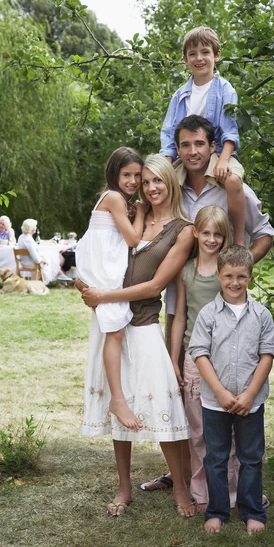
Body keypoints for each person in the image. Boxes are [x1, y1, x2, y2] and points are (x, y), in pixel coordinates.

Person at [141, 114, 274, 492]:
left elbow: (265, 234)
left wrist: (233, 271)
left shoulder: (231, 185)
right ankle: (187, 477)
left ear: (212, 146)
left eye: (200, 143)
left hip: (226, 316)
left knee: (225, 404)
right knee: (188, 404)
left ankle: (233, 484)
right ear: (178, 149)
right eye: (185, 144)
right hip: (181, 299)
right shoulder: (173, 186)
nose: (193, 151)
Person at [80, 154, 196, 518]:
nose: (150, 187)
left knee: (164, 410)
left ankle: (180, 488)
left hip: (144, 324)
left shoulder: (183, 229)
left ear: (170, 183)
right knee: (121, 406)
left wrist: (103, 297)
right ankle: (124, 487)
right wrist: (89, 288)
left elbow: (156, 285)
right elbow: (102, 252)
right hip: (113, 323)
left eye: (157, 181)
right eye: (145, 182)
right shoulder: (131, 215)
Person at [188, 245, 274, 534]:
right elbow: (200, 353)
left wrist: (250, 394)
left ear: (250, 275)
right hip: (216, 402)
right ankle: (217, 511)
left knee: (251, 457)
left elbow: (267, 355)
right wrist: (222, 393)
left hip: (252, 401)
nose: (234, 282)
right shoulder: (208, 314)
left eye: (241, 276)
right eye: (228, 276)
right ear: (218, 275)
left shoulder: (261, 315)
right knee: (216, 457)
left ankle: (253, 511)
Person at [170, 205, 238, 513]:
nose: (211, 239)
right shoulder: (186, 270)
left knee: (229, 432)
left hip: (227, 359)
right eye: (206, 232)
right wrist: (174, 358)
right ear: (195, 232)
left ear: (225, 237)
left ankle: (233, 492)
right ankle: (201, 494)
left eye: (218, 234)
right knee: (197, 432)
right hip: (194, 360)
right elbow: (180, 316)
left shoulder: (229, 270)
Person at [76, 147, 146, 430]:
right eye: (126, 174)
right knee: (115, 331)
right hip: (103, 271)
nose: (132, 181)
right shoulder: (115, 198)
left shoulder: (113, 199)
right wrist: (140, 211)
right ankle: (117, 399)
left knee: (114, 331)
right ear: (114, 174)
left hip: (100, 267)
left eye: (137, 175)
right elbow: (131, 239)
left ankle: (116, 394)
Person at [160, 27, 246, 245]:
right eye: (192, 54)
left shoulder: (225, 89)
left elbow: (230, 131)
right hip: (187, 153)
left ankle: (238, 242)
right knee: (155, 183)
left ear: (216, 55)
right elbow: (169, 134)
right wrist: (165, 165)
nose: (199, 58)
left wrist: (224, 161)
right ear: (185, 59)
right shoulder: (180, 95)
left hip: (217, 152)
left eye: (205, 52)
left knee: (233, 180)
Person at [17, 219, 61, 285]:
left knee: (47, 258)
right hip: (29, 263)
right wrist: (42, 260)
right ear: (30, 228)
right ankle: (44, 282)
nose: (36, 228)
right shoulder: (28, 239)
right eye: (35, 226)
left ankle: (41, 279)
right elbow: (35, 255)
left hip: (23, 262)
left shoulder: (21, 236)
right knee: (49, 260)